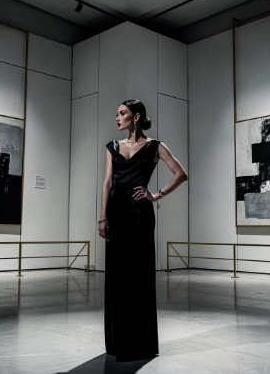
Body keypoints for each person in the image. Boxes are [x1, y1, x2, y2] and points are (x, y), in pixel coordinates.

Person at [98, 99, 188, 361]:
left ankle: (140, 343)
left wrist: (157, 195)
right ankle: (118, 342)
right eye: (117, 114)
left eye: (122, 113)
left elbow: (181, 174)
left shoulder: (155, 147)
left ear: (136, 117)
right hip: (116, 212)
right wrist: (103, 217)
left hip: (139, 214)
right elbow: (107, 183)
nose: (117, 118)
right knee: (118, 276)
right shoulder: (113, 147)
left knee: (139, 275)